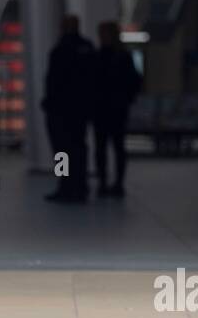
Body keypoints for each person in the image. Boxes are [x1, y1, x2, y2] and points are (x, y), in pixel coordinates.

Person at [42, 14, 94, 203]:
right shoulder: (87, 48)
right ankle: (80, 186)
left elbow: (54, 82)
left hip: (60, 111)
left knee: (61, 151)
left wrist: (49, 103)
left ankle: (65, 186)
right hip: (80, 110)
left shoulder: (60, 49)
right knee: (79, 149)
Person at [92, 21, 142, 198]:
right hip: (106, 108)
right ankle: (105, 182)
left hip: (113, 108)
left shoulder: (115, 57)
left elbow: (134, 81)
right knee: (104, 148)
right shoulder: (109, 56)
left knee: (114, 147)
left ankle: (115, 183)